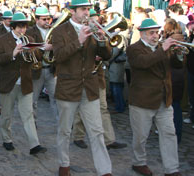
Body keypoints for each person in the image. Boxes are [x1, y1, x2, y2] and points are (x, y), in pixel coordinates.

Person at [50, 0, 112, 176]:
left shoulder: (94, 28)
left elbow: (107, 55)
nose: (87, 13)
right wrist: (79, 41)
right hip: (68, 87)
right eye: (83, 9)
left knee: (97, 131)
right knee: (64, 130)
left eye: (88, 9)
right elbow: (59, 56)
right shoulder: (60, 31)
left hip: (89, 87)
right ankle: (64, 164)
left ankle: (104, 170)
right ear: (72, 11)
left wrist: (102, 41)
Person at [127, 18, 182, 176]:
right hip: (142, 100)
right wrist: (163, 50)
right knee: (141, 136)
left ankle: (172, 169)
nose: (155, 36)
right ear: (142, 34)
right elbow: (143, 63)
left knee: (169, 134)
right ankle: (139, 162)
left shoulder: (161, 48)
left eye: (157, 32)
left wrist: (178, 54)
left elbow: (178, 66)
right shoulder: (134, 49)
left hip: (164, 99)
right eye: (151, 33)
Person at [72, 9, 127, 151]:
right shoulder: (79, 32)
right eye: (92, 20)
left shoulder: (100, 33)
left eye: (97, 20)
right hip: (83, 76)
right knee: (81, 108)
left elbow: (108, 53)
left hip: (99, 76)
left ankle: (109, 140)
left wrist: (103, 47)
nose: (95, 23)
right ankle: (78, 136)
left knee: (103, 108)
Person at [0, 12, 47, 155]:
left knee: (28, 114)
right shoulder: (1, 40)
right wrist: (13, 53)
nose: (22, 30)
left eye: (24, 27)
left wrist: (33, 52)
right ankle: (7, 139)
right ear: (13, 27)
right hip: (8, 82)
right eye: (19, 27)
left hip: (25, 82)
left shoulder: (29, 38)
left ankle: (34, 144)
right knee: (6, 115)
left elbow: (38, 56)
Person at [25, 6, 58, 125]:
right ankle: (32, 123)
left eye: (48, 19)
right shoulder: (29, 31)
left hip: (51, 69)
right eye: (43, 19)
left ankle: (62, 123)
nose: (46, 22)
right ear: (37, 19)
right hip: (36, 70)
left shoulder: (54, 30)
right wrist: (43, 47)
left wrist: (54, 46)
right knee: (32, 100)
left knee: (56, 99)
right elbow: (28, 47)